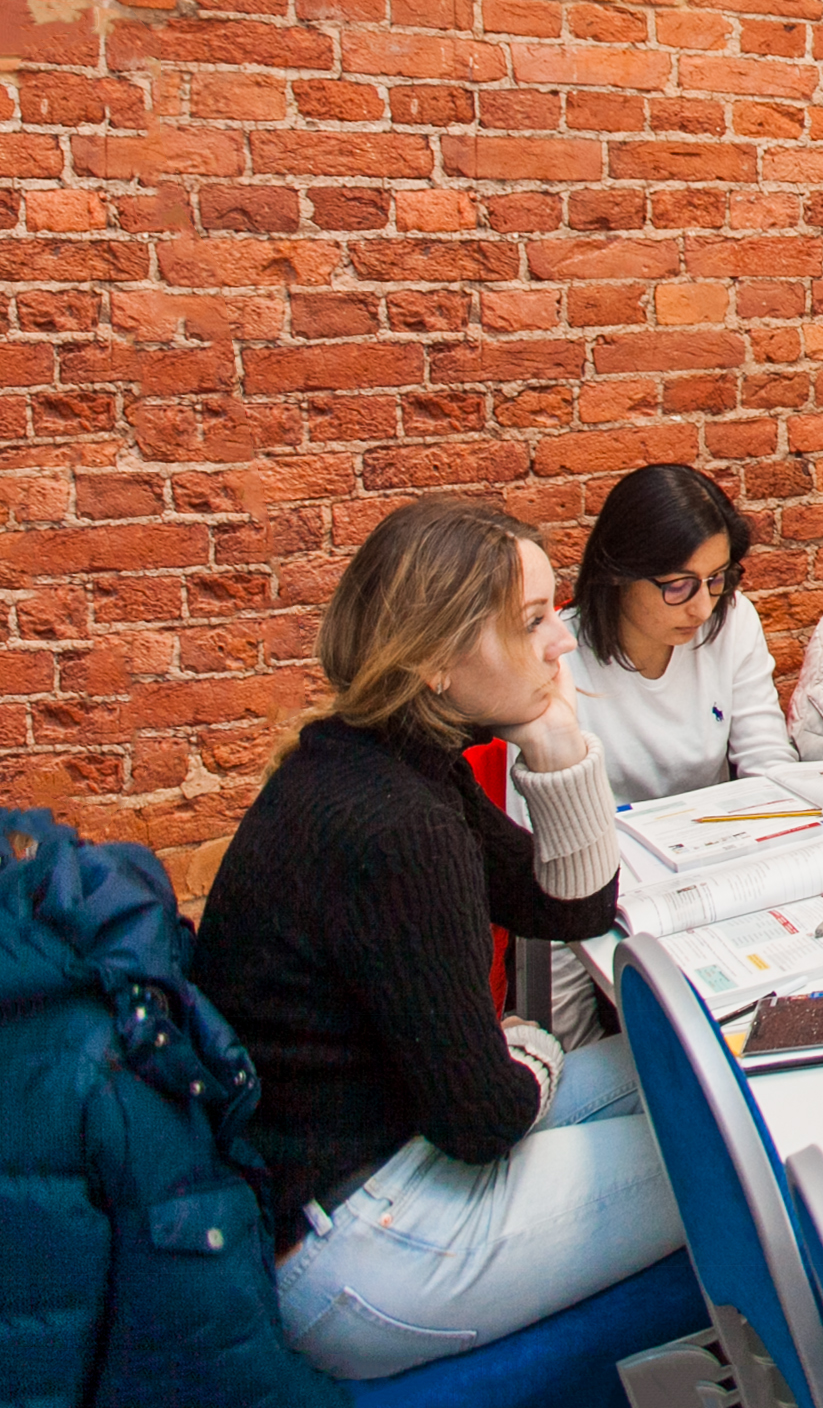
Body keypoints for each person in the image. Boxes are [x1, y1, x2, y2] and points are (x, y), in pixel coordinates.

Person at [190, 498, 686, 1380]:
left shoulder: (381, 756)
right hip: (358, 1245)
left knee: (691, 1064)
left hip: (379, 1160)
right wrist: (530, 1044)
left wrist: (560, 750)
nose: (562, 642)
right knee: (734, 1144)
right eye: (533, 622)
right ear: (433, 661)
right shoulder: (395, 827)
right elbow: (482, 1116)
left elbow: (568, 908)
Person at [525, 463, 791, 1040]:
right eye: (678, 585)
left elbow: (771, 768)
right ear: (620, 573)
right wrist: (577, 1049)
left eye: (719, 578)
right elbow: (547, 881)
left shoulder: (729, 620)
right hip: (608, 919)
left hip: (720, 897)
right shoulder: (560, 662)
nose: (701, 606)